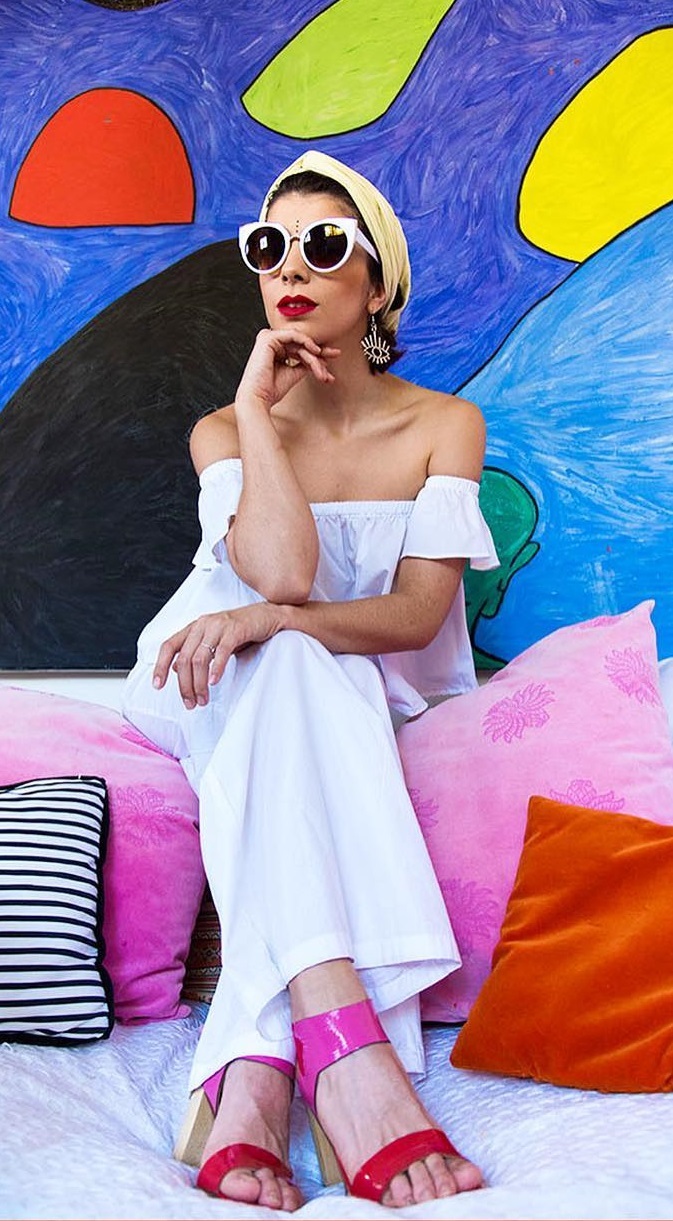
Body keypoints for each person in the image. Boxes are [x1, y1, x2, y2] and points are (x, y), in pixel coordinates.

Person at [122, 148, 498, 1211]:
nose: (290, 265)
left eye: (324, 244)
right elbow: (281, 575)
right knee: (288, 654)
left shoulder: (442, 425)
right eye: (269, 246)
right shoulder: (222, 430)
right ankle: (349, 1047)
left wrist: (273, 623)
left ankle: (249, 1070)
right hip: (204, 675)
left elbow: (413, 617)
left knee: (296, 654)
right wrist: (255, 408)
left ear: (376, 285)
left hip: (350, 680)